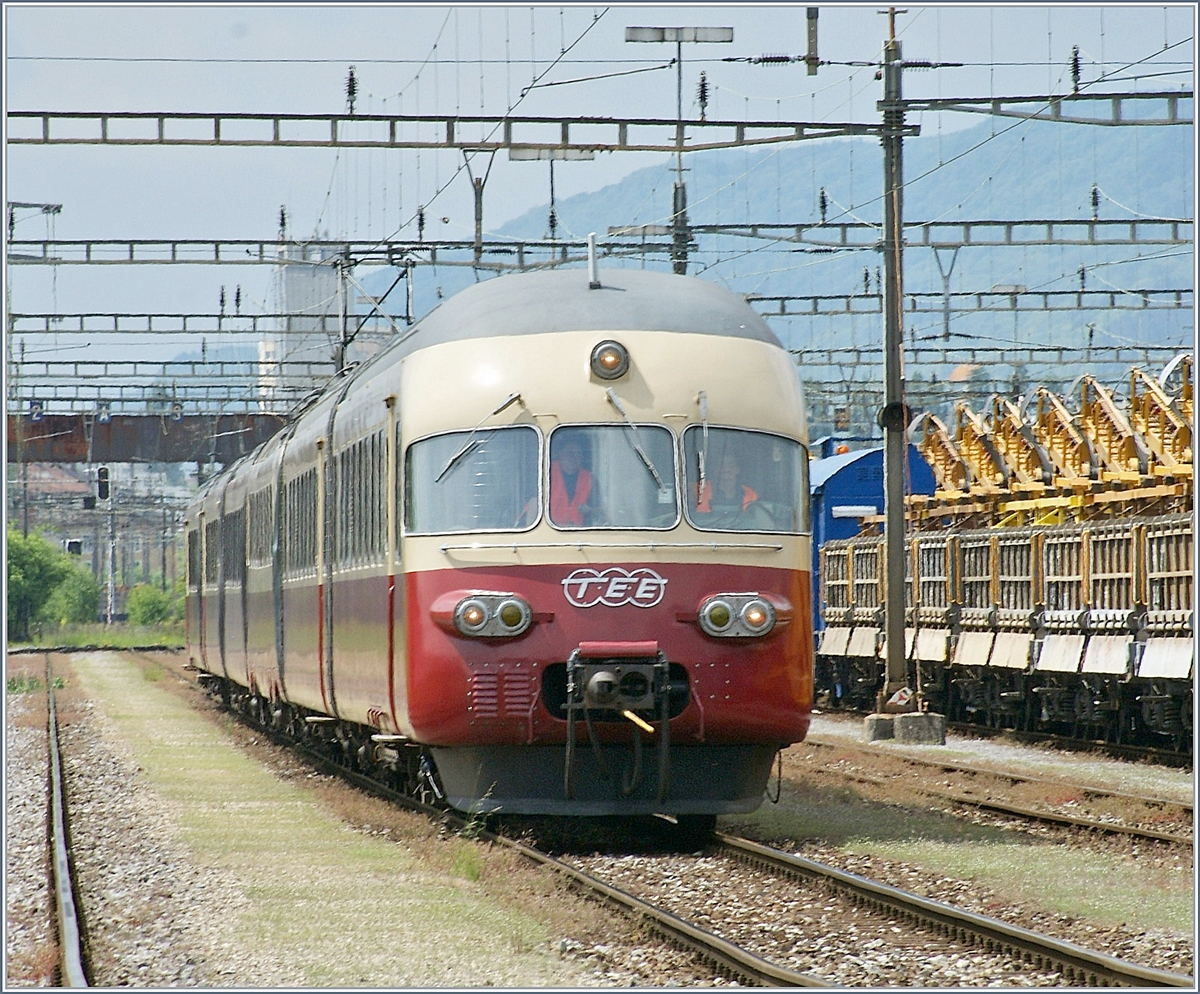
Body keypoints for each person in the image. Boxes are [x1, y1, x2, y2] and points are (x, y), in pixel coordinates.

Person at [695, 451, 771, 528]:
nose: (726, 469)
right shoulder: (700, 490)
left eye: (731, 465)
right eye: (722, 465)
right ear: (715, 469)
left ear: (738, 469)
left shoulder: (751, 494)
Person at [550, 437, 593, 526]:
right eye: (569, 453)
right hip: (549, 530)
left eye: (578, 454)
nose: (574, 457)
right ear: (560, 454)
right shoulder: (546, 472)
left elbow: (598, 507)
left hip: (576, 532)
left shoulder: (589, 478)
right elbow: (533, 503)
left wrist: (590, 509)